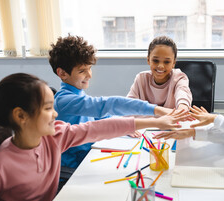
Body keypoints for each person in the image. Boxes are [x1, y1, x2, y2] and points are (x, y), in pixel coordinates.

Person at [0, 73, 187, 201]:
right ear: (21, 116)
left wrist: (155, 121)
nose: (55, 114)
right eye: (48, 108)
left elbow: (98, 127)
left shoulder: (55, 137)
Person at [48, 35, 172, 170]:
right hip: (74, 167)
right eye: (82, 71)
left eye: (89, 68)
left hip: (88, 156)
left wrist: (125, 127)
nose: (89, 75)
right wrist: (156, 110)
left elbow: (100, 116)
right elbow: (107, 104)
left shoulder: (76, 93)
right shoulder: (64, 100)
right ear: (62, 73)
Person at [127, 35, 192, 111]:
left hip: (171, 122)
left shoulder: (179, 78)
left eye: (167, 62)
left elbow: (183, 97)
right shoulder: (141, 79)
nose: (160, 66)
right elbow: (128, 106)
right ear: (148, 60)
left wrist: (182, 108)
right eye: (155, 61)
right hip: (147, 122)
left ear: (173, 63)